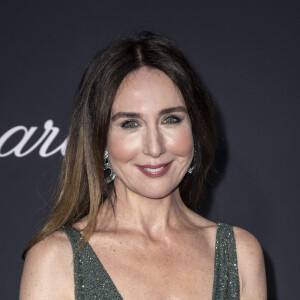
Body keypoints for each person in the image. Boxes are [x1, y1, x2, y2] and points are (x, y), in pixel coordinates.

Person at [19, 31, 267, 299]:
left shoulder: (240, 254)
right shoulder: (56, 259)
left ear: (195, 129)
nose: (155, 147)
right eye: (130, 124)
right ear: (100, 140)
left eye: (171, 119)